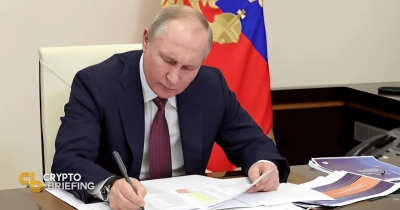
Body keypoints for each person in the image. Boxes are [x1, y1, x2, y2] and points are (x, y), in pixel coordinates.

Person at [52, 5, 290, 210]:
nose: (174, 78)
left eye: (188, 68)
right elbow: (67, 162)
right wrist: (109, 187)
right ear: (146, 40)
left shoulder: (210, 85)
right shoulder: (97, 84)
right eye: (168, 61)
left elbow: (252, 142)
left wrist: (265, 165)